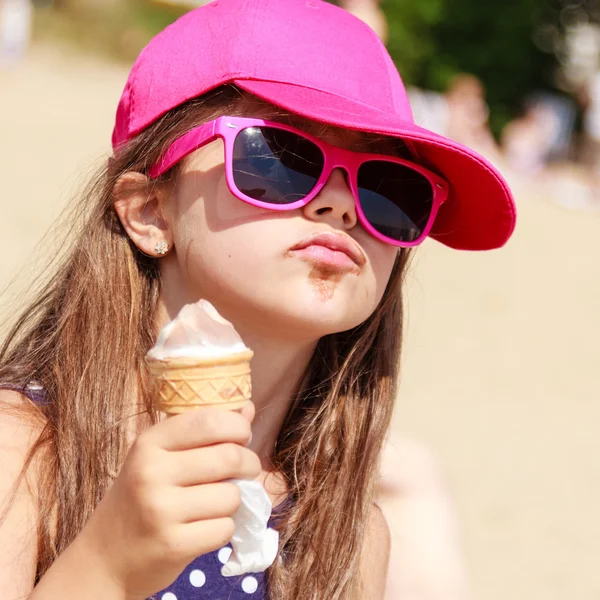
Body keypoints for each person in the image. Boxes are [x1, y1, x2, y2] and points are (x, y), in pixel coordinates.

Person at [0, 0, 515, 599]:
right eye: (282, 160)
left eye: (391, 189)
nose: (342, 206)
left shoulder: (349, 535)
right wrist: (108, 567)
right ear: (148, 211)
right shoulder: (23, 452)